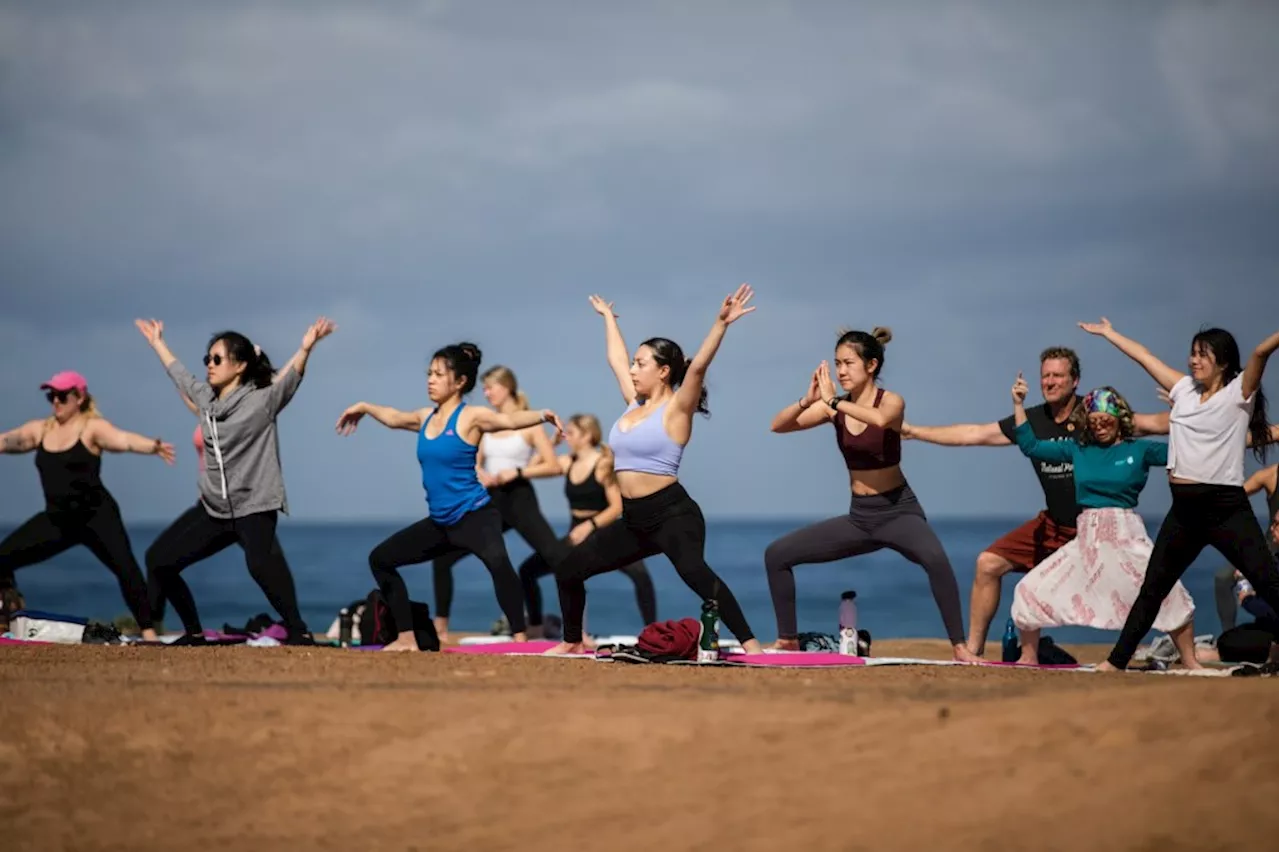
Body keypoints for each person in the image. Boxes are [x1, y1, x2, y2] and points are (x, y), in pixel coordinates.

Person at [900, 346, 1169, 657]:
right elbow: (974, 433)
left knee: (1144, 584)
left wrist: (1207, 415)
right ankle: (974, 651)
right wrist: (915, 431)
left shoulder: (1096, 415)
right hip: (1052, 525)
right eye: (1045, 376)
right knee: (988, 564)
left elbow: (1157, 424)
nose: (1050, 382)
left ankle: (1177, 647)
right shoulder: (1032, 420)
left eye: (1058, 375)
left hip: (1096, 529)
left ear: (1075, 380)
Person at [546, 286, 765, 656]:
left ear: (664, 371)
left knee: (696, 575)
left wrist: (720, 325)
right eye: (634, 362)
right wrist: (608, 321)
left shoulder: (677, 409)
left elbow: (697, 367)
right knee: (568, 569)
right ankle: (570, 642)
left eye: (641, 363)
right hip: (633, 520)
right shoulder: (632, 406)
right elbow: (615, 360)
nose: (632, 369)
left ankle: (751, 645)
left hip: (672, 515)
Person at [1076, 320, 1280, 671]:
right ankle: (1115, 662)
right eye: (1192, 353)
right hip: (1184, 512)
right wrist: (1110, 334)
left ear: (1224, 362)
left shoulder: (1239, 393)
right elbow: (1143, 356)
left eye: (1203, 355)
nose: (1193, 361)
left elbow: (1261, 351)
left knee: (1270, 584)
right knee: (1153, 588)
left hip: (1226, 509)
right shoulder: (1183, 389)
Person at [764, 328, 976, 661]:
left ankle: (961, 648)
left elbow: (879, 419)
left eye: (849, 363)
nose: (841, 371)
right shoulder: (834, 408)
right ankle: (787, 640)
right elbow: (778, 425)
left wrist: (832, 401)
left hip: (898, 512)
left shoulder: (890, 401)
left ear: (872, 365)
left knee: (937, 562)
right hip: (860, 518)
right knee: (776, 555)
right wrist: (809, 400)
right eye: (837, 364)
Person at [336, 343, 565, 651]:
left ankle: (521, 639)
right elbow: (393, 417)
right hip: (440, 523)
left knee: (499, 564)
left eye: (439, 374)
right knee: (380, 559)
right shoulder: (423, 418)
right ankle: (406, 639)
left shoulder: (471, 417)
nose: (430, 379)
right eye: (429, 373)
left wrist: (542, 415)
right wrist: (364, 406)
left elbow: (507, 421)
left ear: (459, 382)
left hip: (475, 516)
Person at [136, 316, 336, 646]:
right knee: (158, 560)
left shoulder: (262, 400)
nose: (209, 365)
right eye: (207, 359)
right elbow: (181, 377)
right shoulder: (207, 400)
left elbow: (290, 379)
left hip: (255, 506)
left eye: (217, 359)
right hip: (214, 509)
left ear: (240, 365)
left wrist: (306, 348)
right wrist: (157, 342)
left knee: (260, 565)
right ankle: (194, 633)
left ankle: (298, 630)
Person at [1006, 380, 1200, 667]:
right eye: (1093, 420)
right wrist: (1018, 404)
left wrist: (1183, 416)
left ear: (1118, 419)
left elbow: (1184, 452)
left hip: (1127, 535)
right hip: (1088, 539)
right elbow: (1031, 446)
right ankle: (1029, 655)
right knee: (1029, 588)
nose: (1098, 426)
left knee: (1170, 592)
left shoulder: (1141, 450)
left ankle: (1191, 661)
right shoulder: (1077, 449)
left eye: (1104, 420)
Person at [0, 371, 174, 640]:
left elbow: (123, 440)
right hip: (57, 521)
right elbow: (10, 440)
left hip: (97, 517)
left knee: (126, 569)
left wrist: (153, 446)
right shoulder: (41, 429)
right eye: (51, 396)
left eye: (61, 396)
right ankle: (8, 612)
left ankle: (150, 634)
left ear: (79, 397)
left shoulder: (91, 427)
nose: (55, 401)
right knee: (3, 557)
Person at [428, 365, 567, 642]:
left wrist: (515, 473)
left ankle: (557, 629)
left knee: (558, 559)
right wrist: (482, 474)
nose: (486, 393)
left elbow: (553, 466)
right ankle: (440, 627)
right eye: (484, 388)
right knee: (442, 559)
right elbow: (473, 461)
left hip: (520, 497)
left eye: (490, 387)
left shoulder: (529, 423)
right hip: (490, 500)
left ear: (506, 387)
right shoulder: (486, 422)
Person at [516, 413, 658, 638]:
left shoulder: (603, 464)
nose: (566, 437)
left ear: (588, 435)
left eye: (570, 433)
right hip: (576, 532)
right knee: (528, 571)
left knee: (641, 576)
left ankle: (652, 631)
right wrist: (550, 445)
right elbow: (531, 469)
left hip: (604, 530)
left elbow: (617, 507)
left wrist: (590, 526)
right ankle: (539, 628)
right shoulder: (567, 462)